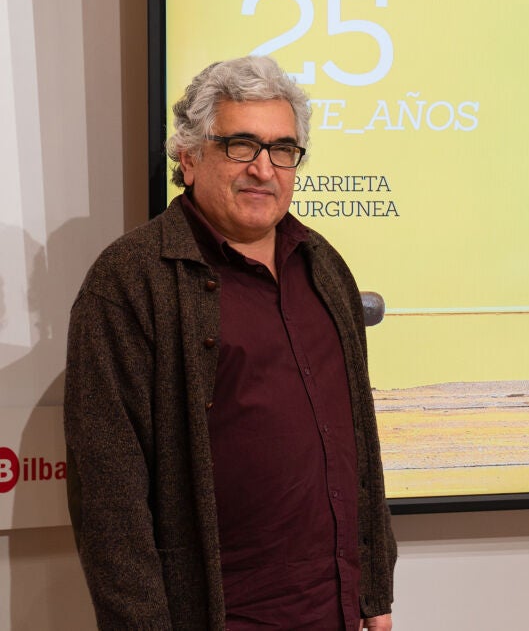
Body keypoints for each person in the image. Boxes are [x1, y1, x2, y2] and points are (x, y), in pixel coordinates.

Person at [64, 55, 397, 630]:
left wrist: (375, 589)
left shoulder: (324, 266)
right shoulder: (129, 281)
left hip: (335, 610)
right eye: (241, 146)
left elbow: (358, 441)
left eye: (283, 149)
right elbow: (108, 500)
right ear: (189, 157)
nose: (264, 169)